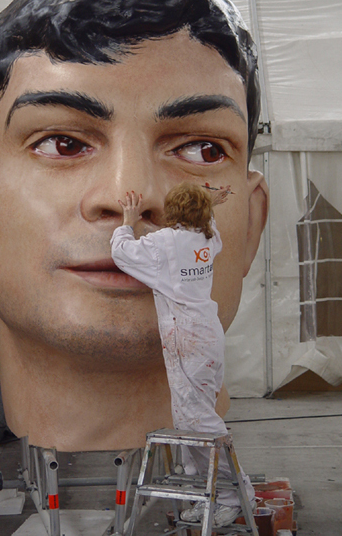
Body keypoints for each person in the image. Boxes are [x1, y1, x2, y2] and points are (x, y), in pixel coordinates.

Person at [0, 0, 269, 451]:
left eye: (202, 149)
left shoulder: (167, 250)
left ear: (253, 223)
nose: (127, 194)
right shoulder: (192, 248)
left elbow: (132, 251)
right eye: (62, 143)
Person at [111, 185, 254, 527]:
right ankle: (208, 494)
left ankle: (236, 494)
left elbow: (121, 252)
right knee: (190, 417)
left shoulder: (166, 243)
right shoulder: (207, 238)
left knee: (197, 421)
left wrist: (128, 221)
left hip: (187, 338)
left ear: (172, 210)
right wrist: (210, 204)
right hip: (206, 335)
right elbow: (206, 223)